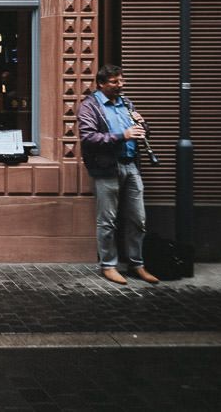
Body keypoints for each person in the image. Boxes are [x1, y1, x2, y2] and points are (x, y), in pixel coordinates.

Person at [78, 64, 160, 285]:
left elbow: (140, 132)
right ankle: (109, 266)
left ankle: (137, 264)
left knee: (138, 218)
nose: (120, 86)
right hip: (106, 168)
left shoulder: (126, 103)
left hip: (131, 166)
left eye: (121, 81)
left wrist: (143, 125)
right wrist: (122, 135)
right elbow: (89, 138)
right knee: (107, 221)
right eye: (115, 82)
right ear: (101, 84)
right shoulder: (90, 107)